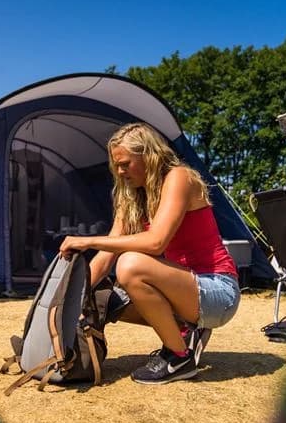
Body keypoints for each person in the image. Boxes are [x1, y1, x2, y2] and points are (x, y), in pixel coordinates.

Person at [59, 122, 240, 384]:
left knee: (130, 265)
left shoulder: (179, 178)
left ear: (150, 156)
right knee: (107, 298)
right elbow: (107, 254)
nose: (120, 172)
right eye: (116, 166)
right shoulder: (132, 196)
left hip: (216, 291)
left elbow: (156, 243)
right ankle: (184, 331)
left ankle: (179, 358)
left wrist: (88, 241)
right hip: (183, 288)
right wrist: (72, 297)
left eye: (125, 164)